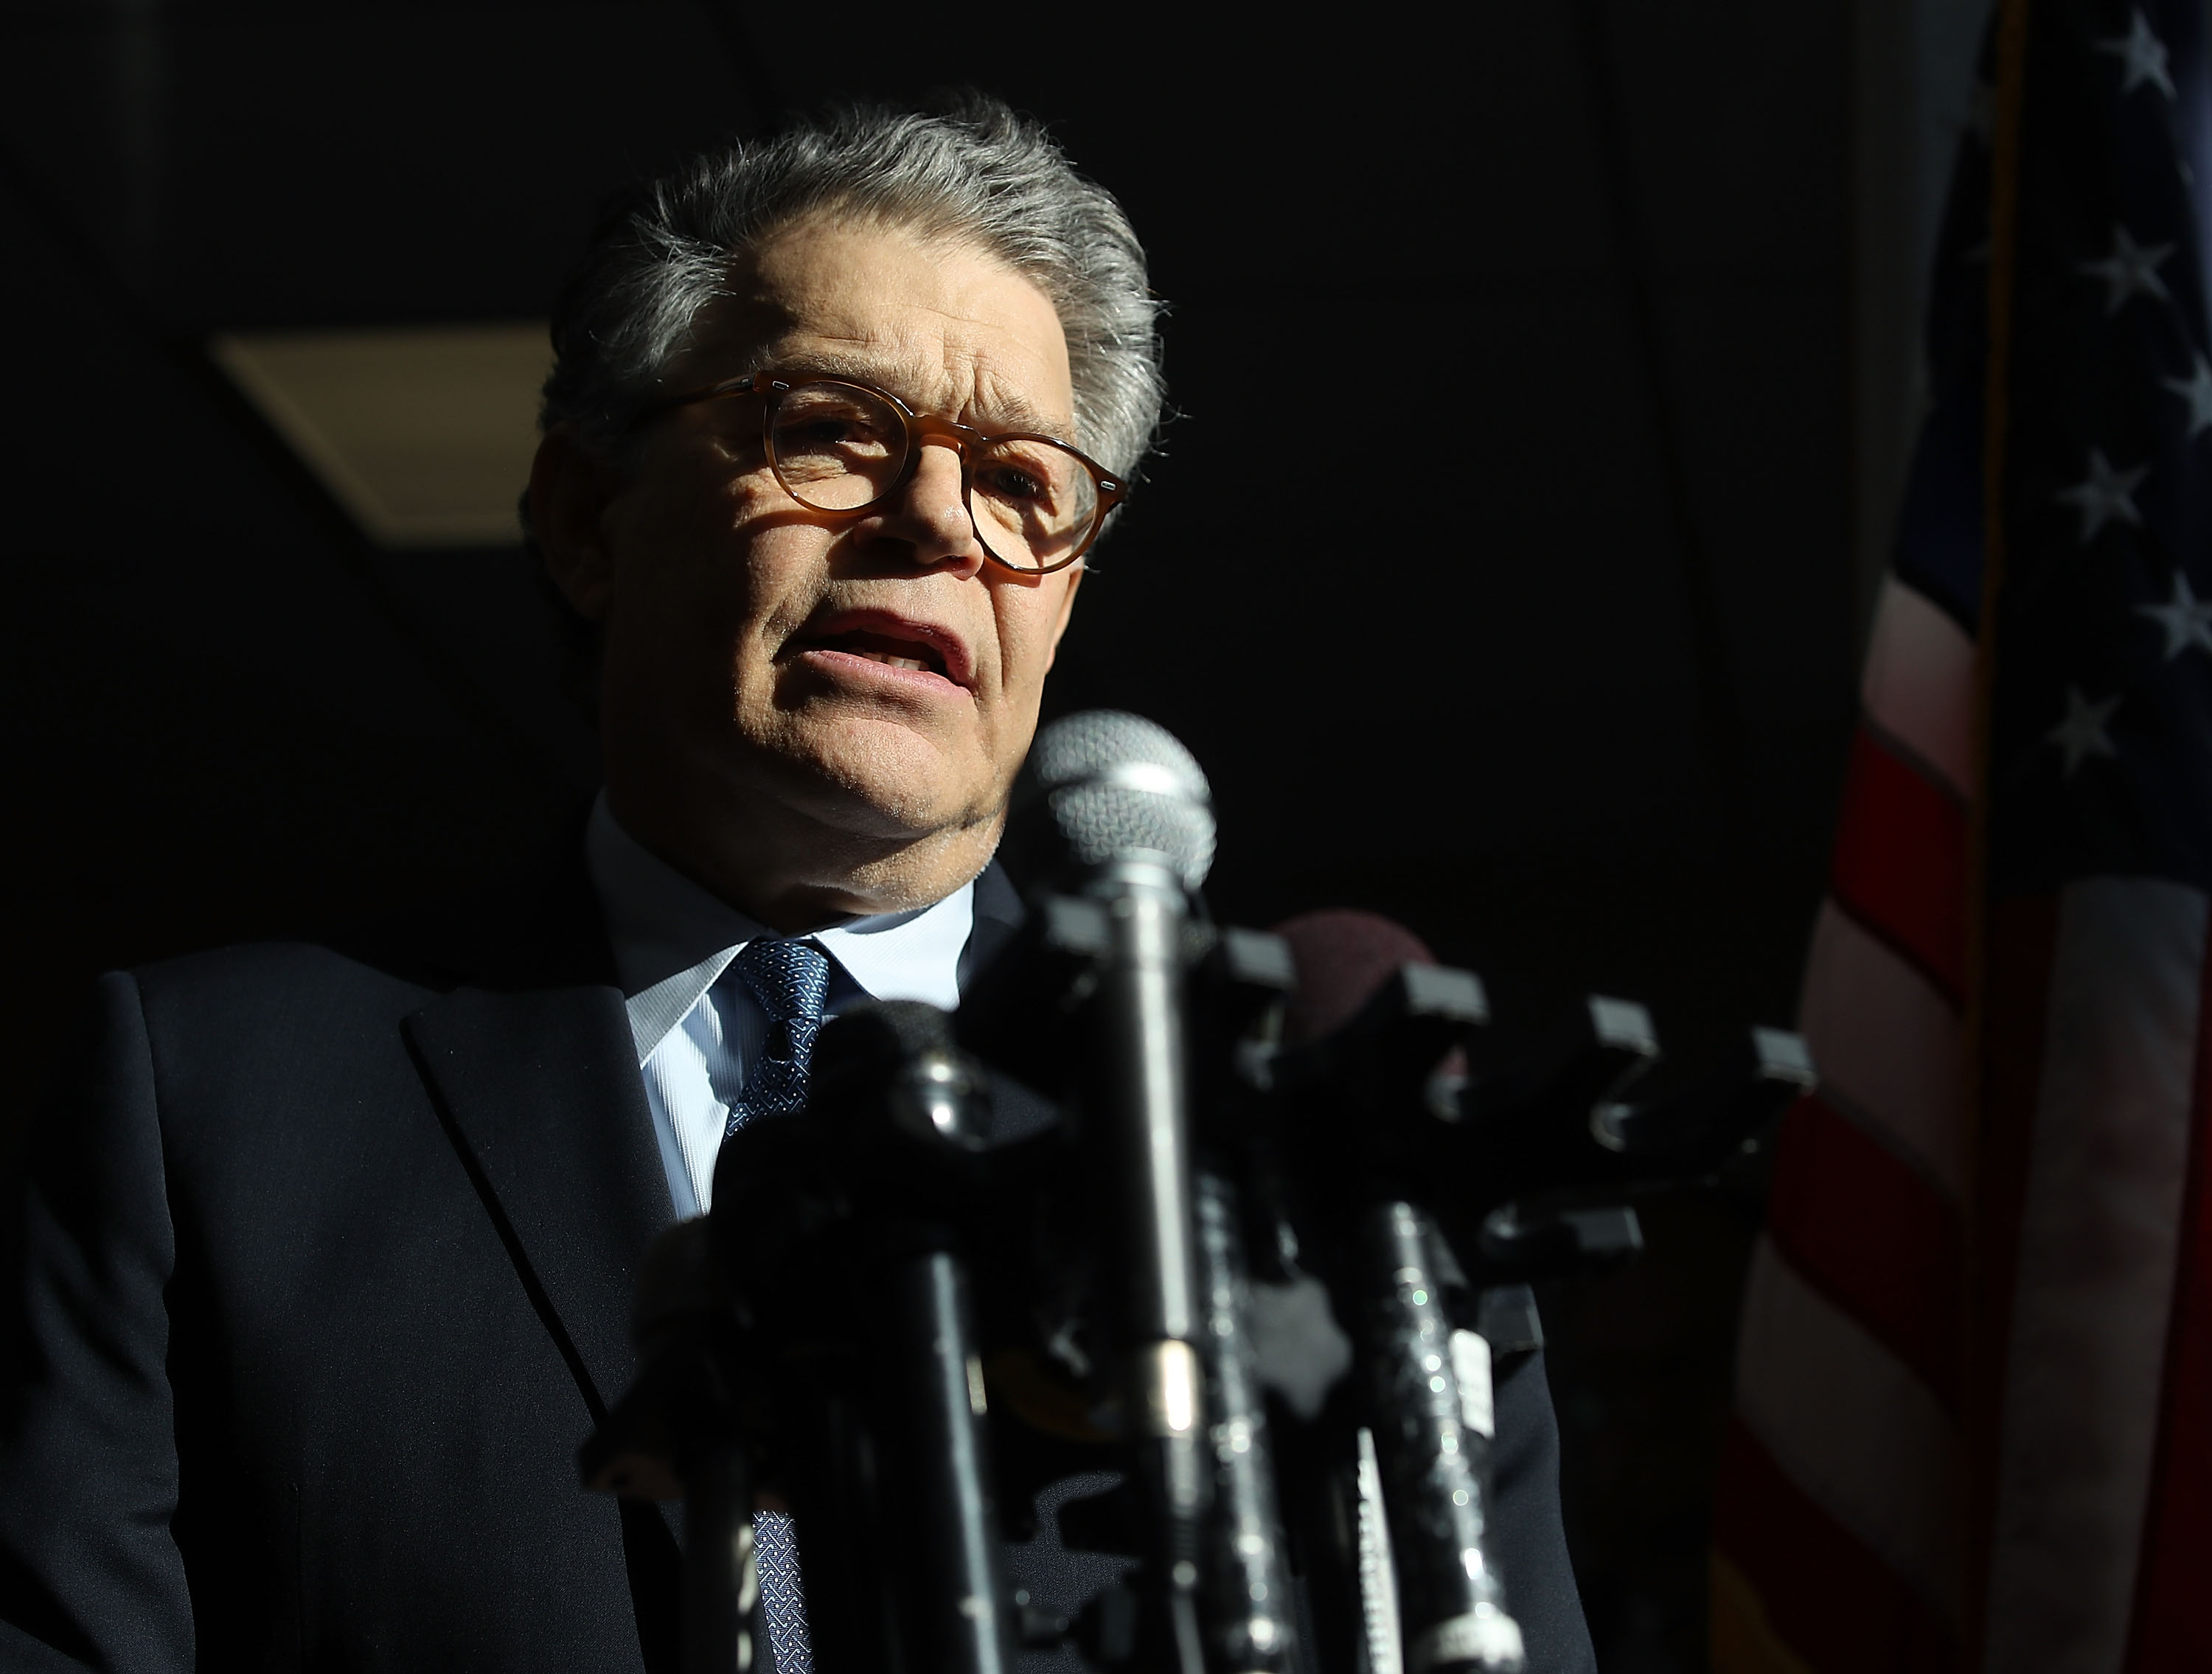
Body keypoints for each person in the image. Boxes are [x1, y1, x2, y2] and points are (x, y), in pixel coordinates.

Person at [0, 97, 1594, 1673]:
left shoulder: (1328, 1187)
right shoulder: (205, 1105)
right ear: (584, 519)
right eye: (830, 428)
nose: (934, 524)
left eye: (1023, 485)